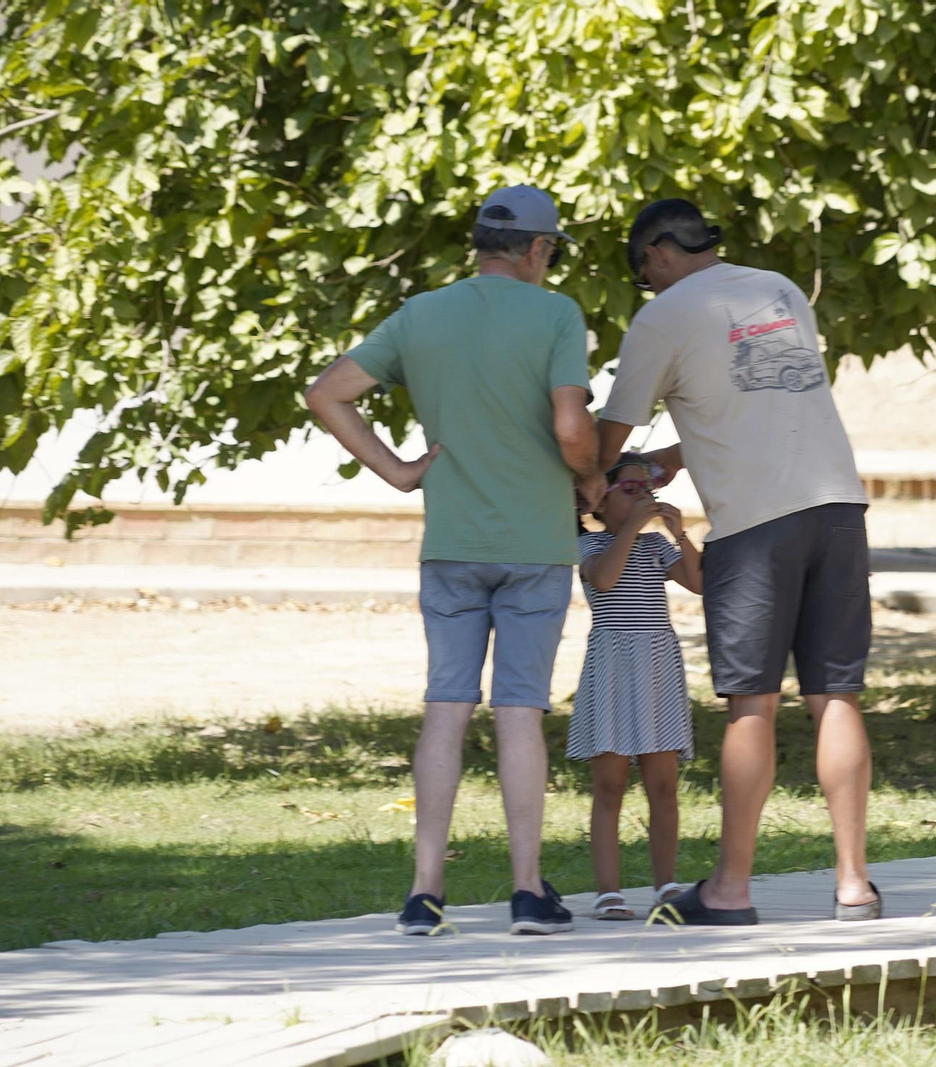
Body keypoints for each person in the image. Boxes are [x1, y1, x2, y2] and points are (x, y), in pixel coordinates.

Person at [303, 185, 604, 937]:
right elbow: (572, 425)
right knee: (519, 715)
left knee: (445, 708)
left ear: (481, 244)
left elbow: (327, 393)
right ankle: (528, 891)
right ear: (538, 248)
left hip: (450, 545)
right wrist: (588, 473)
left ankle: (424, 893)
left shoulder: (420, 315)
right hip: (534, 546)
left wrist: (402, 471)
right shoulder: (557, 314)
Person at [595, 198, 880, 926]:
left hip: (755, 527)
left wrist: (598, 481)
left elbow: (607, 437)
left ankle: (729, 887)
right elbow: (749, 408)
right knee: (835, 696)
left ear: (656, 253)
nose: (648, 288)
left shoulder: (661, 316)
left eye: (642, 274)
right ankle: (854, 884)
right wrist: (656, 469)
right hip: (838, 507)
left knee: (752, 704)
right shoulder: (779, 290)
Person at [569, 454, 702, 920]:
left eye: (648, 488)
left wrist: (678, 533)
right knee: (610, 786)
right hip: (612, 665)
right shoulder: (590, 546)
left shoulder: (655, 547)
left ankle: (666, 886)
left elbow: (700, 581)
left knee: (663, 787)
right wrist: (629, 530)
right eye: (630, 488)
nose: (645, 495)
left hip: (658, 667)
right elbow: (604, 579)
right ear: (598, 501)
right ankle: (609, 892)